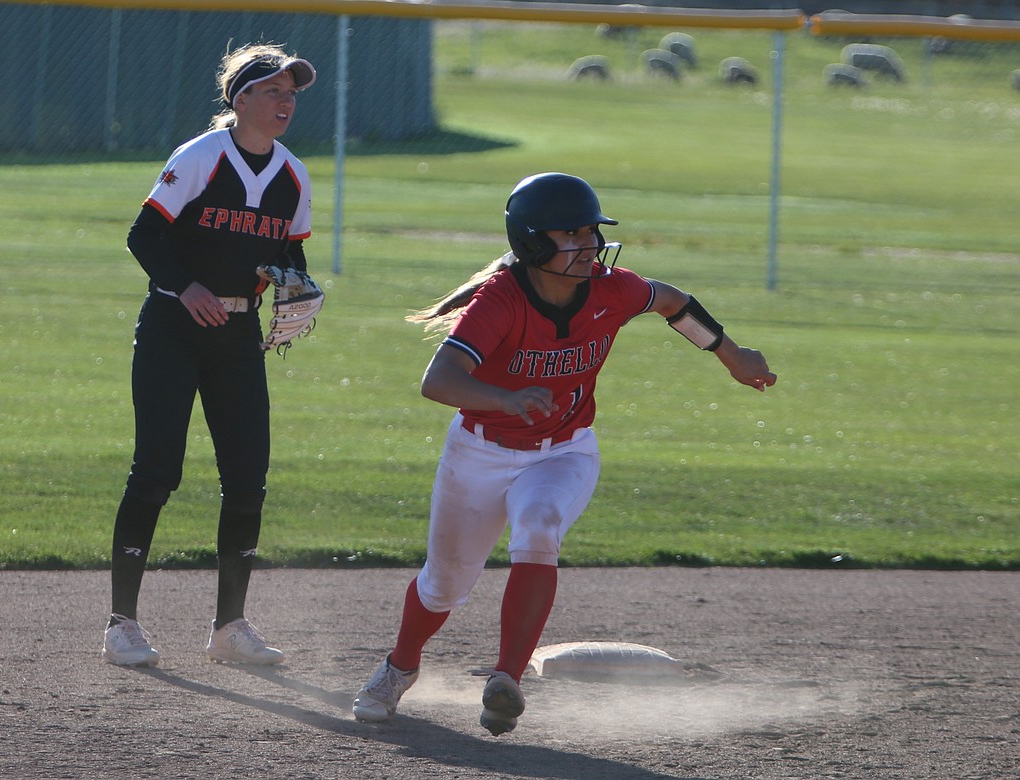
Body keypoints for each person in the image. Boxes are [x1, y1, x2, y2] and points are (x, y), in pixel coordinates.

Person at [351, 172, 777, 735]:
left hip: (564, 453)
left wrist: (731, 354)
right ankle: (399, 668)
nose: (589, 246)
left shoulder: (611, 288)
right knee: (445, 584)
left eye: (590, 233)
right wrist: (505, 398)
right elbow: (440, 381)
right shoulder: (500, 301)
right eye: (571, 235)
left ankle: (506, 680)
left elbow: (672, 302)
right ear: (531, 242)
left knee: (541, 523)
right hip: (480, 452)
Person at [101, 43, 318, 668]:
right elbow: (144, 235)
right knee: (156, 472)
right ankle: (122, 624)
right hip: (174, 327)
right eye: (273, 90)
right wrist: (184, 285)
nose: (285, 102)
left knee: (248, 481)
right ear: (240, 98)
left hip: (238, 338)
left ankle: (230, 627)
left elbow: (291, 254)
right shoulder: (202, 156)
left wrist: (297, 286)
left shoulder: (292, 174)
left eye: (292, 93)